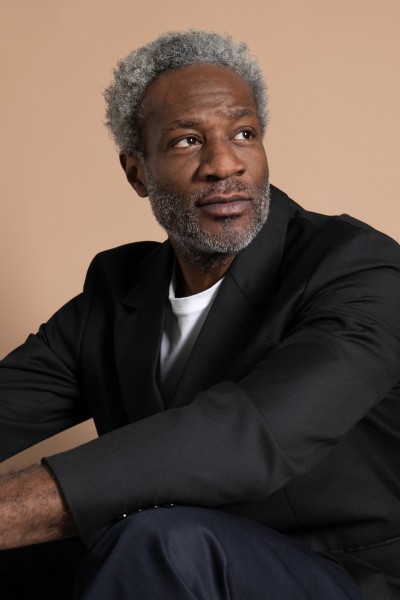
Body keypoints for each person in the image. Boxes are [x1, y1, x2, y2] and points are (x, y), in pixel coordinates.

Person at [0, 29, 399, 600]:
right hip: (173, 563)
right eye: (188, 140)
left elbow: (248, 436)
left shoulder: (360, 269)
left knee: (158, 541)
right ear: (138, 172)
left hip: (345, 579)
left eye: (243, 133)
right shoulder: (118, 289)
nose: (224, 163)